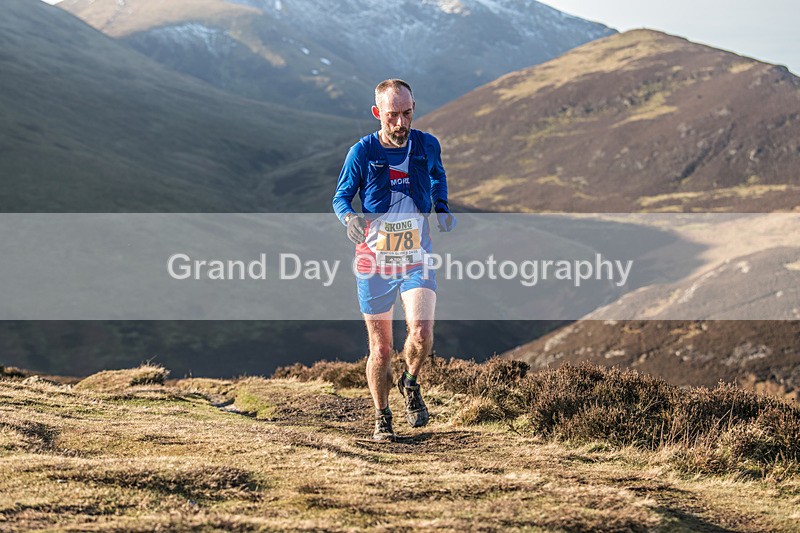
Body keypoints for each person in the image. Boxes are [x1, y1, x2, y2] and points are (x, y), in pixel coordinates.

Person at [332, 79, 456, 441]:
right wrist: (350, 218)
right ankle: (382, 415)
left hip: (417, 256)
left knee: (421, 332)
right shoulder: (362, 152)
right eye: (392, 116)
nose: (401, 124)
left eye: (407, 113)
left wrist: (443, 207)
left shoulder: (427, 144)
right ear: (377, 114)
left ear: (413, 107)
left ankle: (411, 382)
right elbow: (341, 197)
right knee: (381, 348)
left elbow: (437, 175)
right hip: (373, 261)